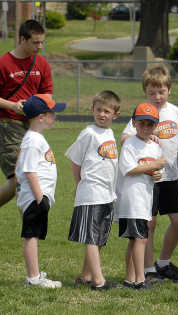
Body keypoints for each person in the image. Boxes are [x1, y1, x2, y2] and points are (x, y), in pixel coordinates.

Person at [120, 65, 178, 282]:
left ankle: (163, 263)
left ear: (169, 90)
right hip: (149, 178)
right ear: (145, 92)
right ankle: (147, 270)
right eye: (152, 92)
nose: (157, 96)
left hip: (170, 175)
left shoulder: (174, 111)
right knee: (149, 224)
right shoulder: (143, 113)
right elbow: (125, 138)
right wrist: (149, 134)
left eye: (161, 91)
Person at [65, 91, 121, 290]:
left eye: (107, 111)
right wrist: (80, 183)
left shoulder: (110, 133)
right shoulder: (88, 133)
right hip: (91, 192)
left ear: (116, 114)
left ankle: (86, 276)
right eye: (98, 110)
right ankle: (99, 281)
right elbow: (74, 160)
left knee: (99, 238)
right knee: (91, 236)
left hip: (107, 194)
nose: (102, 114)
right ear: (92, 110)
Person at [0, 20, 52, 207]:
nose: (39, 46)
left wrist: (36, 107)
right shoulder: (4, 63)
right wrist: (13, 106)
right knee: (19, 178)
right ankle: (30, 224)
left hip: (32, 127)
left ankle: (31, 225)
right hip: (7, 124)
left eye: (41, 42)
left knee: (31, 174)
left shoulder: (42, 64)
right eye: (35, 42)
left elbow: (47, 95)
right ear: (22, 39)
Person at [16, 94, 65, 288]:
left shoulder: (36, 138)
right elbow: (29, 170)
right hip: (34, 198)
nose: (55, 116)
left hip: (35, 197)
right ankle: (34, 278)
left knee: (34, 234)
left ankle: (34, 275)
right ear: (40, 117)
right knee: (31, 235)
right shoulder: (33, 140)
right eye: (51, 113)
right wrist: (39, 198)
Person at [116, 103, 165, 290]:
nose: (145, 128)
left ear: (156, 126)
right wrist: (153, 167)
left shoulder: (154, 146)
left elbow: (155, 172)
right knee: (140, 239)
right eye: (141, 123)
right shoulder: (129, 144)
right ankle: (139, 280)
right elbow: (129, 169)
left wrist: (156, 173)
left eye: (150, 124)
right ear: (134, 123)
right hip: (132, 198)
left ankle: (130, 279)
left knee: (134, 239)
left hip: (146, 197)